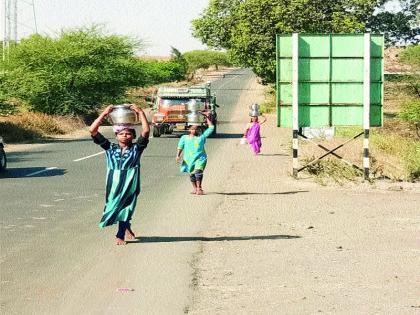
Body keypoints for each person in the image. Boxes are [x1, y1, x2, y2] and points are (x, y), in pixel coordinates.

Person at [89, 104, 150, 245]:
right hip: (113, 182)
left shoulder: (137, 148)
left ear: (133, 136)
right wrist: (105, 113)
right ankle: (126, 226)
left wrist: (140, 112)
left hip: (130, 181)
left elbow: (146, 131)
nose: (125, 136)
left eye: (128, 133)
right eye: (121, 133)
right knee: (114, 206)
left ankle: (120, 234)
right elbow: (92, 130)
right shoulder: (109, 147)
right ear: (116, 135)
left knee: (126, 206)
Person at [176, 114, 214, 195]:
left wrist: (207, 118)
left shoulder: (201, 137)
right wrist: (178, 155)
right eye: (193, 129)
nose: (194, 131)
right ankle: (195, 188)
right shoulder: (184, 138)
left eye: (196, 129)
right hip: (189, 159)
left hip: (200, 158)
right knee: (192, 174)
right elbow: (180, 147)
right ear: (189, 129)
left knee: (198, 172)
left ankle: (199, 188)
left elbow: (211, 128)